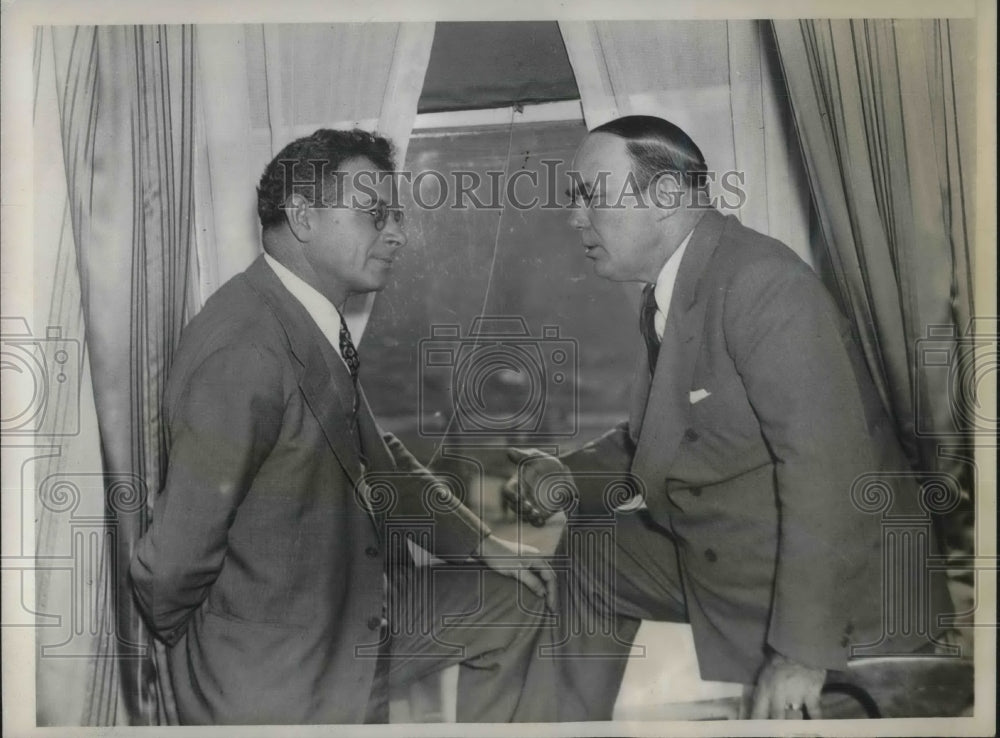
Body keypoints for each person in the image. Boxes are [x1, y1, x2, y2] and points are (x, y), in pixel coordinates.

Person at [505, 115, 951, 720]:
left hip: (850, 599)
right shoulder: (677, 290)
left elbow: (832, 474)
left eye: (591, 194)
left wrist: (803, 651)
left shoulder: (760, 283)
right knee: (594, 551)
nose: (575, 216)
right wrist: (561, 472)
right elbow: (656, 441)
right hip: (740, 555)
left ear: (665, 197)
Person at [131, 128, 555, 725]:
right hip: (276, 671)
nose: (398, 234)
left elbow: (382, 468)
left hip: (344, 616)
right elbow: (172, 564)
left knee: (516, 602)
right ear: (303, 216)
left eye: (396, 215)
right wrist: (205, 663)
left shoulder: (304, 316)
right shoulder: (244, 349)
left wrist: (485, 545)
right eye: (374, 215)